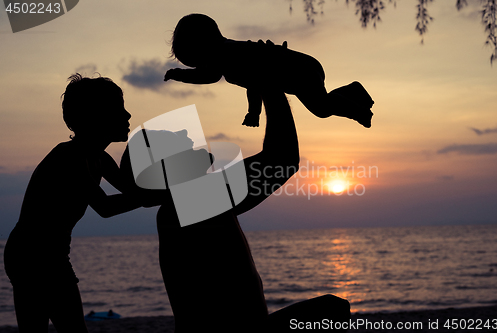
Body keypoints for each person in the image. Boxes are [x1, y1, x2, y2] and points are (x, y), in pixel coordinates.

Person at [121, 91, 350, 332]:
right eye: (173, 140)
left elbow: (282, 160)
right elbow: (282, 158)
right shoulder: (193, 202)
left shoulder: (185, 205)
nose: (185, 134)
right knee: (332, 309)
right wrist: (271, 86)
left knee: (331, 309)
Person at [3, 74, 157, 333]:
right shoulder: (70, 158)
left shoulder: (100, 158)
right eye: (118, 108)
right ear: (96, 117)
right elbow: (106, 207)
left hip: (48, 254)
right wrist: (160, 194)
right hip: (32, 255)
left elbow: (134, 190)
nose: (128, 115)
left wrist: (176, 178)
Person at [164, 13, 374, 128]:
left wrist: (179, 75)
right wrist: (253, 112)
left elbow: (218, 78)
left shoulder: (230, 57)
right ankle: (352, 93)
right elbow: (253, 83)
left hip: (299, 69)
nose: (202, 66)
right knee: (323, 104)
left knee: (322, 108)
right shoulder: (230, 55)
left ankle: (358, 110)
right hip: (302, 66)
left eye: (197, 61)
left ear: (202, 46)